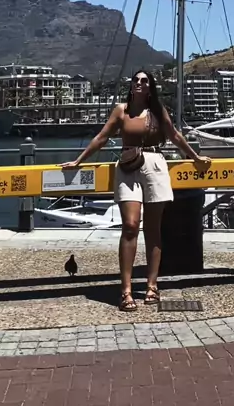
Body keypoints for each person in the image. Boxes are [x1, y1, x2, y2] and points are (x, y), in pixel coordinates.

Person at [60, 69, 211, 312]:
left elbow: (174, 136)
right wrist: (79, 160)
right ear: (131, 85)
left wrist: (195, 157)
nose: (139, 83)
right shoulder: (121, 110)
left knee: (153, 229)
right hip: (128, 167)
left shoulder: (158, 111)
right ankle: (126, 290)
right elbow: (102, 137)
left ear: (150, 86)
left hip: (155, 165)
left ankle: (152, 285)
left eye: (144, 80)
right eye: (136, 80)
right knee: (130, 226)